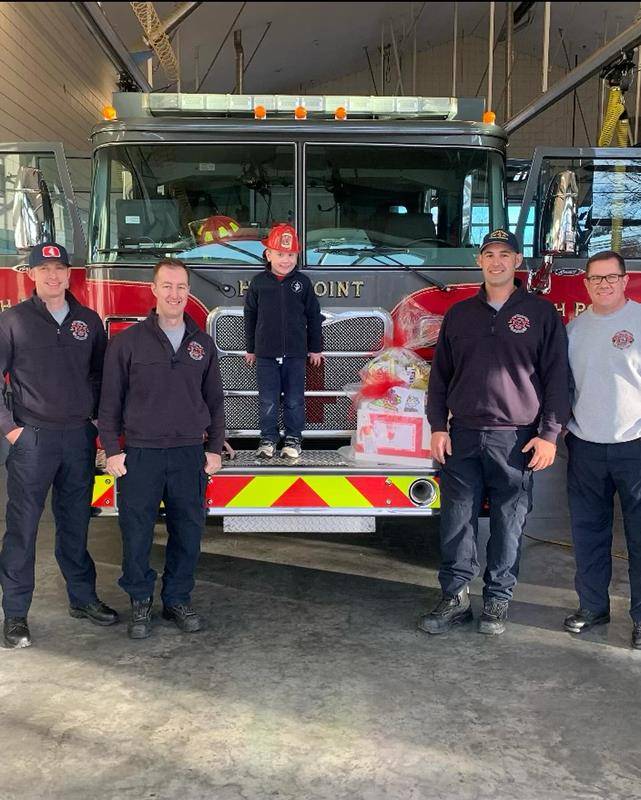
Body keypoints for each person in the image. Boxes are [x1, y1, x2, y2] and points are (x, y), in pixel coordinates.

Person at [419, 229, 570, 636]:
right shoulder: (459, 315)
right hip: (464, 435)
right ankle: (454, 598)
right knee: (456, 521)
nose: (497, 261)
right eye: (489, 254)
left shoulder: (541, 314)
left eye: (505, 254)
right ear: (479, 261)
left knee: (508, 522)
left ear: (517, 262)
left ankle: (498, 600)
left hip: (517, 439)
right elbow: (440, 378)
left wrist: (550, 434)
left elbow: (558, 379)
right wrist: (437, 426)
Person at [99, 258, 224, 640]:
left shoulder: (202, 344)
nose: (174, 294)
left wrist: (215, 448)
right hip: (141, 454)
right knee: (136, 532)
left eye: (181, 287)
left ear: (189, 292)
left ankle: (176, 600)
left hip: (189, 454)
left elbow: (215, 400)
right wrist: (112, 449)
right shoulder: (127, 343)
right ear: (153, 290)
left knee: (188, 531)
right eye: (167, 286)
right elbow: (109, 402)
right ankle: (140, 602)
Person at [0, 242, 117, 649]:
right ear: (30, 274)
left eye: (60, 268)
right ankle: (15, 615)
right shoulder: (13, 321)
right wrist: (11, 430)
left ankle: (82, 599)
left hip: (78, 439)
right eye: (44, 269)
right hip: (31, 439)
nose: (53, 275)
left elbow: (103, 380)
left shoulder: (88, 321)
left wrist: (103, 433)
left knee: (75, 526)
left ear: (70, 274)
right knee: (23, 529)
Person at [563, 250, 641, 650]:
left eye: (611, 277)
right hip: (586, 448)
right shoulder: (574, 330)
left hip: (635, 447)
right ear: (586, 284)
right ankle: (592, 607)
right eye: (596, 278)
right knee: (589, 535)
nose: (604, 284)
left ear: (625, 280)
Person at [243, 223, 323, 460]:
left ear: (297, 255)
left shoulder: (304, 283)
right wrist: (250, 349)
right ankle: (268, 438)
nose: (285, 260)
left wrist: (315, 349)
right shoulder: (258, 283)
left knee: (295, 399)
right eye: (280, 254)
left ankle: (293, 439)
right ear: (268, 254)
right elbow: (250, 316)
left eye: (290, 255)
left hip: (296, 355)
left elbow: (313, 317)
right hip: (265, 354)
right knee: (267, 398)